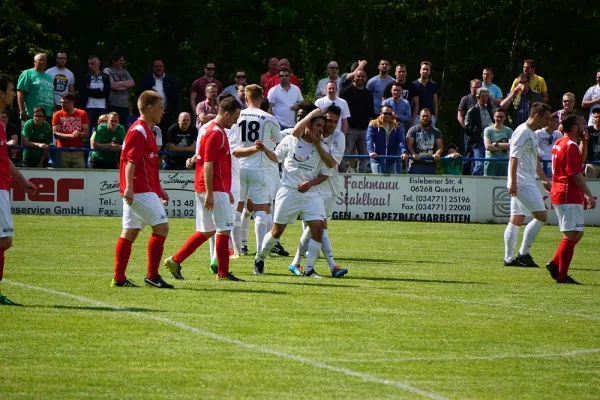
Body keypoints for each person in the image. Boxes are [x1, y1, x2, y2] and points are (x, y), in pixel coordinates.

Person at [163, 97, 244, 281]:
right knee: (224, 229)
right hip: (212, 188)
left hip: (209, 187)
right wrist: (211, 192)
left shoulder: (208, 130)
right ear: (225, 113)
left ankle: (175, 260)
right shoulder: (216, 133)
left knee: (207, 230)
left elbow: (204, 159)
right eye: (235, 117)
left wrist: (224, 190)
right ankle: (223, 273)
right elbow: (208, 164)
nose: (235, 121)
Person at [253, 113, 333, 278]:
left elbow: (326, 173)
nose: (320, 129)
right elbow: (276, 157)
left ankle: (310, 269)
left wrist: (310, 183)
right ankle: (260, 257)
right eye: (318, 125)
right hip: (288, 191)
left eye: (322, 127)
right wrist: (265, 149)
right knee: (276, 232)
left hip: (311, 193)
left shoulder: (323, 147)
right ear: (308, 126)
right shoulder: (291, 140)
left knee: (318, 227)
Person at [112, 90, 173, 288]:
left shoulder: (147, 130)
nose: (163, 111)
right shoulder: (138, 130)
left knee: (129, 232)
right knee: (162, 228)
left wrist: (159, 188)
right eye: (160, 108)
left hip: (142, 188)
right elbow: (131, 161)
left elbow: (148, 164)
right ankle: (152, 276)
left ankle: (119, 279)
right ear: (149, 108)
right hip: (138, 189)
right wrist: (129, 187)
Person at [288, 106, 348, 278]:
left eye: (335, 121)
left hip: (331, 186)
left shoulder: (339, 137)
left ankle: (296, 263)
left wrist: (317, 144)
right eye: (329, 120)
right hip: (314, 186)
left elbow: (331, 162)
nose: (331, 124)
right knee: (319, 226)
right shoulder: (311, 131)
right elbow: (292, 132)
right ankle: (330, 266)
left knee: (316, 227)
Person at [0, 74, 39, 305]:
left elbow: (4, 159)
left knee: (3, 240)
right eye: (12, 90)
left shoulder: (2, 125)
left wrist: (23, 182)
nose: (14, 94)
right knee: (4, 240)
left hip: (3, 186)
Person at [546, 114, 596, 284]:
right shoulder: (569, 145)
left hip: (562, 192)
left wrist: (585, 142)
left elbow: (578, 161)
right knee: (572, 234)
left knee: (577, 233)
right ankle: (561, 274)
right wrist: (589, 194)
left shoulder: (561, 143)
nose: (584, 126)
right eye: (581, 124)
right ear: (574, 128)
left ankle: (555, 263)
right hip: (568, 193)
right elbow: (575, 173)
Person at [234, 84, 282, 260]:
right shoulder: (268, 118)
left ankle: (237, 251)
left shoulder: (236, 117)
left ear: (245, 98)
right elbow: (280, 142)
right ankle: (261, 253)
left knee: (238, 210)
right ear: (262, 98)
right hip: (260, 168)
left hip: (239, 167)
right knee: (262, 211)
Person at [503, 102, 552, 268]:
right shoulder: (522, 132)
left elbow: (535, 159)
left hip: (525, 181)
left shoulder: (533, 133)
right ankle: (523, 253)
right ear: (536, 115)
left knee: (516, 218)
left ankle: (509, 259)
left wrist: (544, 179)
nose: (548, 122)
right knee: (542, 216)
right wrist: (513, 182)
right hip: (522, 182)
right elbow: (513, 158)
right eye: (546, 118)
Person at [339, 68, 373, 173]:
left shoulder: (368, 93)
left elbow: (370, 112)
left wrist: (370, 129)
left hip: (364, 130)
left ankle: (360, 179)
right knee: (345, 155)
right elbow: (341, 112)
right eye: (358, 76)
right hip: (350, 129)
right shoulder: (345, 92)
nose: (360, 78)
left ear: (366, 78)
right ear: (354, 77)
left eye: (363, 76)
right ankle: (341, 177)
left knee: (364, 157)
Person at [137, 59, 180, 133]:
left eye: (160, 66)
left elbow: (176, 98)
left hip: (167, 114)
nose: (158, 68)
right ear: (153, 68)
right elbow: (140, 95)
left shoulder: (171, 80)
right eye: (156, 66)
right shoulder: (146, 80)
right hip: (152, 114)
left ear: (164, 68)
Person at [367, 105, 408, 174]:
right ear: (380, 113)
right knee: (378, 183)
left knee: (390, 183)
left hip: (391, 159)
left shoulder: (395, 125)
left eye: (390, 114)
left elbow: (401, 140)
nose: (387, 115)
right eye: (385, 113)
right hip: (377, 159)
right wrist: (371, 151)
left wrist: (404, 151)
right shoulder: (373, 124)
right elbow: (369, 139)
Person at [52, 94, 89, 168]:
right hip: (62, 151)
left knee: (80, 175)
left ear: (71, 103)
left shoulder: (82, 113)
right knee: (63, 175)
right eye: (61, 102)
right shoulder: (57, 114)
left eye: (65, 103)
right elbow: (55, 134)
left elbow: (86, 133)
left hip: (78, 151)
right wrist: (71, 136)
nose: (62, 105)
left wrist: (79, 134)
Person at [465, 87, 494, 176]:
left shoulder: (489, 110)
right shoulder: (472, 111)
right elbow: (467, 127)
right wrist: (480, 128)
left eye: (486, 96)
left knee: (489, 164)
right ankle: (474, 184)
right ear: (477, 97)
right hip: (478, 142)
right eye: (482, 96)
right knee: (479, 165)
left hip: (490, 141)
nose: (485, 98)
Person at [17, 53, 54, 121]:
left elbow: (51, 95)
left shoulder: (48, 77)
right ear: (34, 62)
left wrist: (54, 111)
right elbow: (20, 92)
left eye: (44, 60)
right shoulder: (27, 73)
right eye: (40, 60)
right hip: (32, 114)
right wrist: (22, 110)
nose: (42, 62)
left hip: (47, 114)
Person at [406, 108, 443, 175]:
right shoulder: (413, 130)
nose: (425, 118)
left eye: (427, 116)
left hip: (430, 164)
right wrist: (413, 154)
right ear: (420, 117)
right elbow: (409, 145)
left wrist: (437, 154)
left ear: (431, 117)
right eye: (423, 116)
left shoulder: (436, 131)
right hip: (415, 164)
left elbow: (440, 147)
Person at [81, 55, 111, 136]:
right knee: (89, 129)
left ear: (98, 64)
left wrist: (92, 91)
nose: (90, 66)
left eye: (92, 64)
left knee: (102, 129)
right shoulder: (86, 77)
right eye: (89, 64)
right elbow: (84, 92)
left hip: (102, 107)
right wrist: (98, 92)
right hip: (89, 106)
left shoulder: (105, 77)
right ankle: (88, 147)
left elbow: (106, 93)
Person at [104, 52, 135, 125]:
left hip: (124, 105)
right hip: (113, 104)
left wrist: (118, 84)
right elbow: (112, 85)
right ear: (113, 61)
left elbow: (132, 83)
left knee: (123, 127)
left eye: (122, 60)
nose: (122, 62)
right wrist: (125, 85)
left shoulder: (125, 71)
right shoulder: (108, 70)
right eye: (120, 60)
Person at [483, 108, 512, 177]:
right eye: (497, 116)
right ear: (494, 117)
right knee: (488, 183)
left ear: (505, 118)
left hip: (504, 161)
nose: (499, 119)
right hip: (490, 161)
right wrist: (504, 147)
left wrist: (497, 144)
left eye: (501, 117)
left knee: (503, 185)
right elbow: (488, 147)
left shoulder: (509, 131)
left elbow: (512, 146)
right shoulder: (488, 130)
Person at [412, 61, 439, 125]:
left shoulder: (433, 84)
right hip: (417, 116)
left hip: (430, 116)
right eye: (423, 69)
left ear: (430, 72)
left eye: (427, 69)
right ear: (420, 70)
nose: (425, 71)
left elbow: (435, 102)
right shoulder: (414, 84)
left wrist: (435, 117)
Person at [585, 109, 600, 178]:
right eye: (596, 117)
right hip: (591, 163)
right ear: (593, 118)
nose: (598, 119)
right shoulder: (588, 130)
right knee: (590, 186)